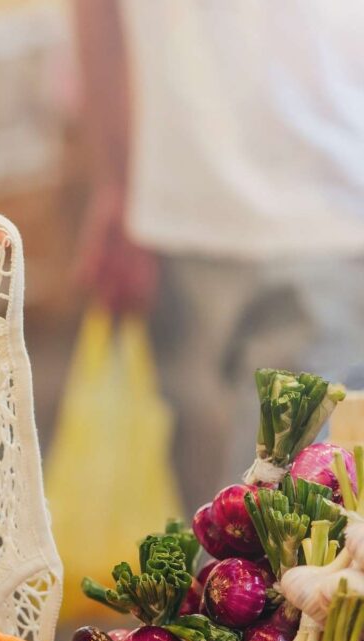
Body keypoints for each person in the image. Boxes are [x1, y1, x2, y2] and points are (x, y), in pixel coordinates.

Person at [74, 0, 364, 511]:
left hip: (304, 209)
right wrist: (115, 187)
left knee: (267, 528)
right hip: (217, 213)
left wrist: (115, 185)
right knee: (252, 525)